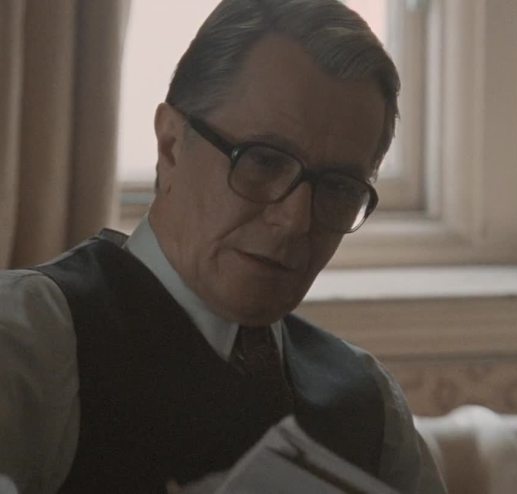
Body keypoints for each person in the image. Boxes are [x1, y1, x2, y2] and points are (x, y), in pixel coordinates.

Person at [0, 1, 446, 492]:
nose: (295, 220)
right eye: (263, 161)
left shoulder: (371, 405)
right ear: (171, 145)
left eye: (339, 187)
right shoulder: (28, 339)